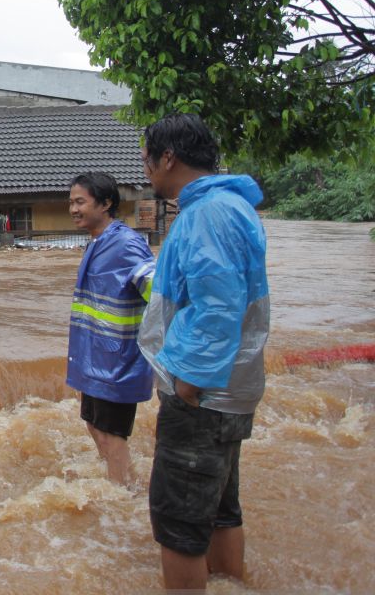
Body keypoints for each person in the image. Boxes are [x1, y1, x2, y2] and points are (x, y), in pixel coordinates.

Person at [137, 113, 269, 591]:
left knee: (178, 529)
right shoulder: (230, 206)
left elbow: (217, 306)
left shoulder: (207, 214)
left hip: (203, 394)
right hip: (230, 389)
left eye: (148, 159)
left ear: (168, 157)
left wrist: (188, 382)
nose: (146, 171)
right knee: (218, 511)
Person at [66, 171, 156, 486]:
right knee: (94, 425)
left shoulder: (127, 245)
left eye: (80, 202)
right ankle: (118, 481)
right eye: (71, 202)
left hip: (118, 361)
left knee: (111, 434)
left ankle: (123, 496)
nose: (73, 209)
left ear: (105, 204)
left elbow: (159, 295)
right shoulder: (98, 242)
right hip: (94, 357)